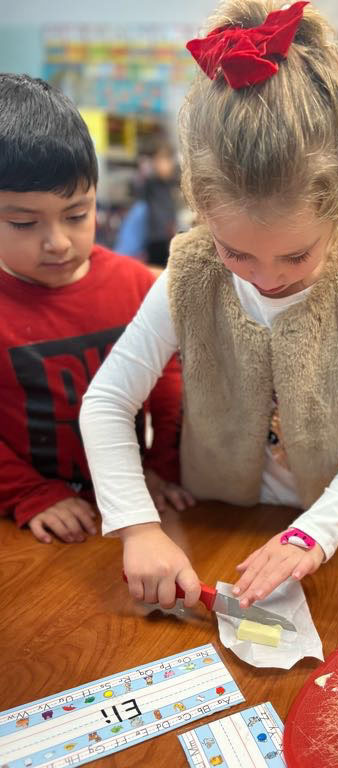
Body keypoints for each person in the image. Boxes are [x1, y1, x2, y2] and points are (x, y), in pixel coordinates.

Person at [80, 0, 338, 612]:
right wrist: (136, 524)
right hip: (215, 519)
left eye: (296, 256)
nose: (266, 279)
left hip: (333, 527)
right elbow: (105, 402)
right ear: (201, 214)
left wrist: (315, 532)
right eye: (237, 253)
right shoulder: (190, 272)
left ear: (336, 208)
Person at [0, 73, 189, 545]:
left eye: (77, 215)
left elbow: (166, 384)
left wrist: (159, 469)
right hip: (33, 522)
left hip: (131, 512)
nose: (58, 242)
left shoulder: (131, 283)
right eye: (24, 222)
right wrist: (29, 493)